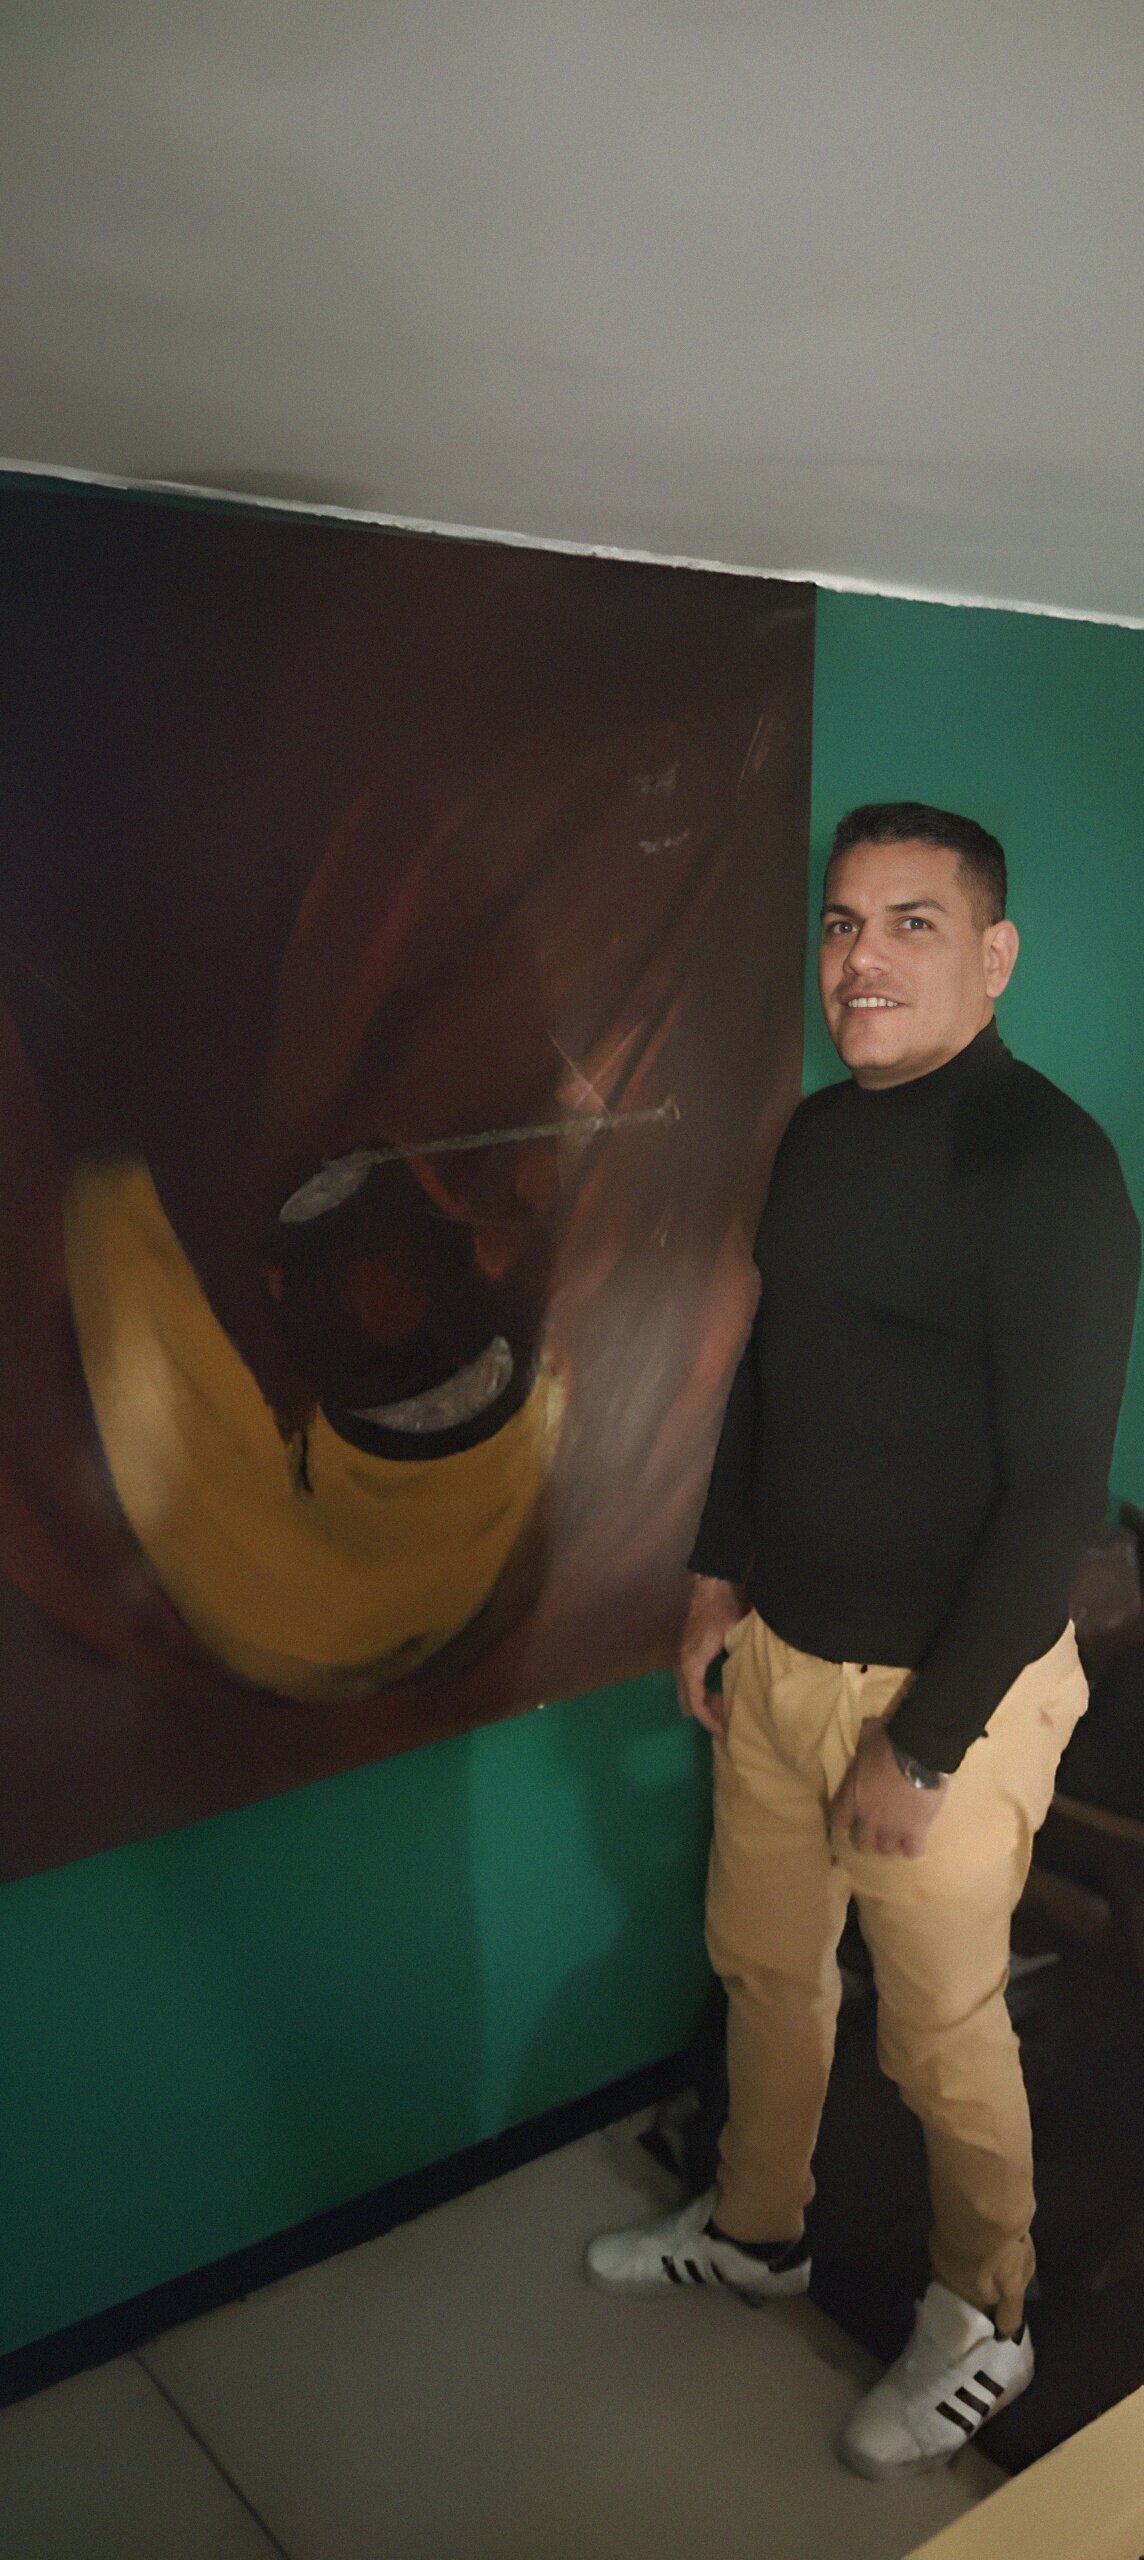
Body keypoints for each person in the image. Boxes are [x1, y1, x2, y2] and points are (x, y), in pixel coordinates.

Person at [585, 803, 1140, 2478]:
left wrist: (930, 1741)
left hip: (953, 1694)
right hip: (785, 1655)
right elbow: (774, 1371)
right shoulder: (822, 1136)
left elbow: (1056, 1500)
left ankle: (988, 2313)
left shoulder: (1047, 1171)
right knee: (765, 1965)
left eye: (912, 922)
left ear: (995, 954)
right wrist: (714, 1581)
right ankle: (758, 2224)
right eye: (842, 923)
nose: (862, 958)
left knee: (939, 2028)